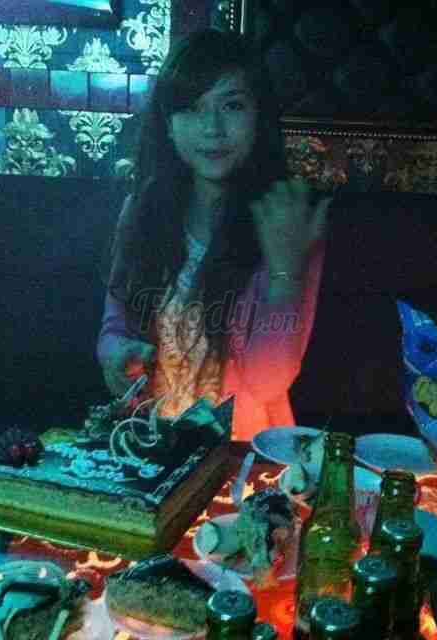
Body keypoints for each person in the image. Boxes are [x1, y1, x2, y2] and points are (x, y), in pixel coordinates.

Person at [96, 28, 331, 441]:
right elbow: (114, 327)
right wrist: (118, 355)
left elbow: (268, 382)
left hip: (242, 459)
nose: (212, 128)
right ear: (168, 124)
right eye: (192, 107)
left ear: (259, 117)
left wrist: (284, 272)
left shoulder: (286, 219)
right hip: (150, 446)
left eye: (232, 105)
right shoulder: (141, 210)